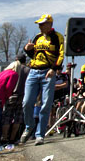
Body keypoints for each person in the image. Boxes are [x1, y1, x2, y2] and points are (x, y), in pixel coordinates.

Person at [21, 14, 64, 146]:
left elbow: (61, 53)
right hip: (34, 71)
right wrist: (27, 49)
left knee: (45, 104)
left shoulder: (57, 37)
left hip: (48, 72)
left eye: (42, 24)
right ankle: (29, 126)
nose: (40, 27)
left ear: (49, 24)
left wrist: (54, 69)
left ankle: (40, 135)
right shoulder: (37, 37)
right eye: (39, 24)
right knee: (27, 102)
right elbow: (33, 54)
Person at [0, 54, 29, 145]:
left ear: (16, 59)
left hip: (11, 94)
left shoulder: (12, 68)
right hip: (22, 95)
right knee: (18, 118)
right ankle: (13, 138)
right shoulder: (28, 70)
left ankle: (4, 138)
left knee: (7, 117)